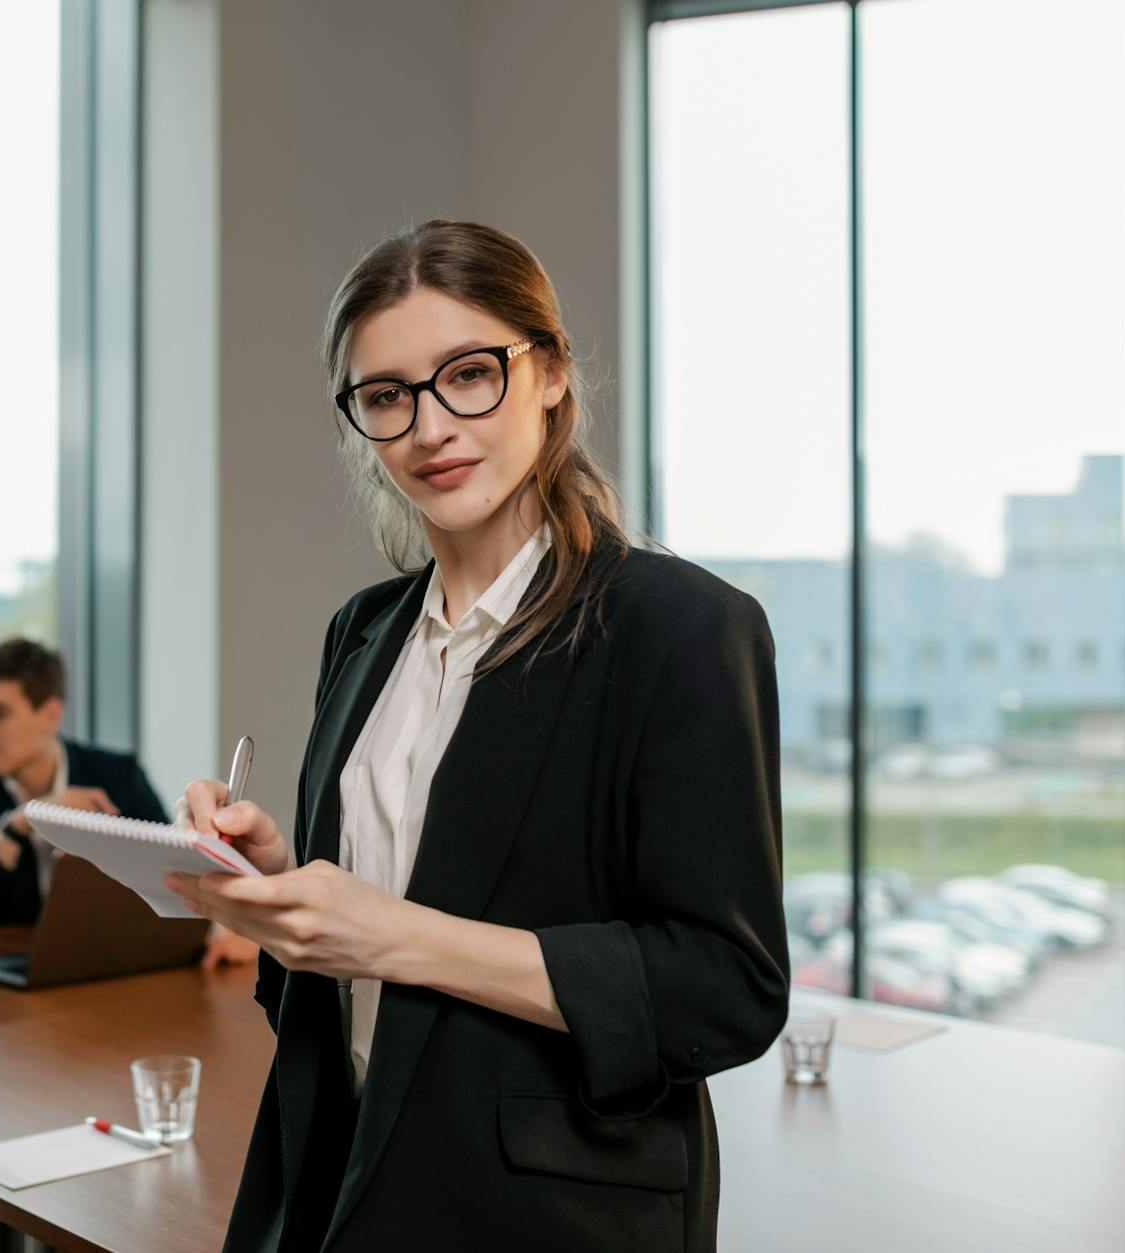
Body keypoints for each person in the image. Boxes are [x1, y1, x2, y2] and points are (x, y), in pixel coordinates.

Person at [164, 220, 791, 1252]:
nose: (428, 426)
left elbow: (722, 989)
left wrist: (390, 931)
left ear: (547, 372)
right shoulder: (363, 631)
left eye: (467, 375)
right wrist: (279, 882)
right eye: (385, 396)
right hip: (338, 1187)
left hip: (545, 1217)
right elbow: (338, 983)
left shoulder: (677, 627)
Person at [0, 638, 258, 966]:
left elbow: (173, 879)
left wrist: (224, 924)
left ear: (50, 714)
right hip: (5, 981)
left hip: (109, 968)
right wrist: (18, 825)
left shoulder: (116, 775)